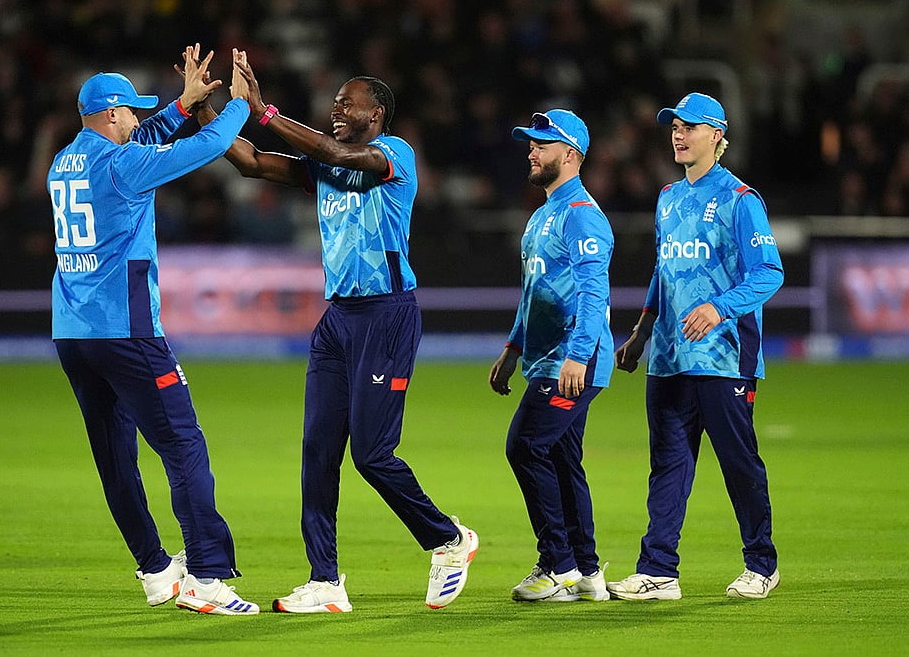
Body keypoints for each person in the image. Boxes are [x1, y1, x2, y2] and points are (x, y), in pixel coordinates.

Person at [195, 57, 478, 613]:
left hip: (387, 316)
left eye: (348, 103)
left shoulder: (394, 155)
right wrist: (205, 107)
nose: (337, 110)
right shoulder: (326, 166)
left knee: (373, 455)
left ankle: (448, 539)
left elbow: (337, 153)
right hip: (338, 320)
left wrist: (263, 110)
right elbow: (251, 163)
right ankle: (325, 581)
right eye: (335, 104)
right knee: (318, 451)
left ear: (378, 114)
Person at [49, 46, 259, 615]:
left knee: (115, 455)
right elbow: (208, 148)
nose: (140, 120)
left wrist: (182, 104)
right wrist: (235, 106)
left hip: (73, 332)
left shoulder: (64, 162)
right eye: (133, 112)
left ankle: (156, 570)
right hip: (129, 331)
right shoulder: (122, 166)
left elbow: (141, 145)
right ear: (112, 114)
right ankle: (209, 578)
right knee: (182, 443)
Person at [608, 92, 784, 600]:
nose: (678, 135)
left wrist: (719, 308)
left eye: (689, 127)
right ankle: (659, 570)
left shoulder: (741, 199)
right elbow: (664, 274)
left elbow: (770, 272)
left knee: (737, 461)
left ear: (717, 136)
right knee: (667, 463)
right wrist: (641, 333)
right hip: (668, 355)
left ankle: (761, 564)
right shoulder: (667, 197)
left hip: (724, 355)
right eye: (673, 128)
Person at [489, 109, 613, 603]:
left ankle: (556, 564)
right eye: (532, 142)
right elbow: (532, 291)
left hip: (572, 361)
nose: (532, 150)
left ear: (572, 154)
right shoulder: (544, 215)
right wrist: (513, 348)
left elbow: (592, 293)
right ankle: (586, 571)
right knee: (563, 459)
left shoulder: (582, 213)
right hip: (546, 359)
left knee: (524, 446)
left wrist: (578, 357)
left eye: (543, 143)